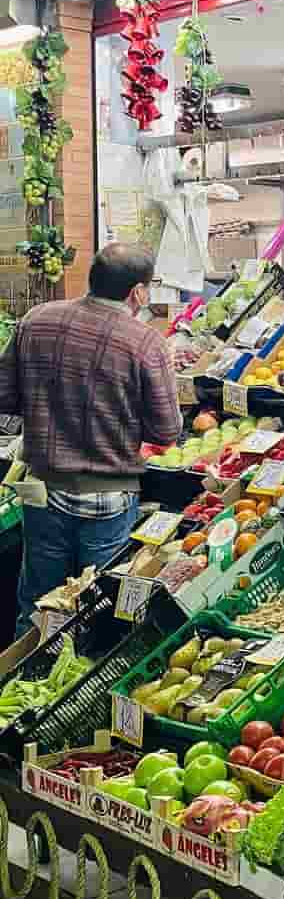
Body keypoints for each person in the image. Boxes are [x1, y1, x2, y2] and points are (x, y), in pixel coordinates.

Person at [0, 244, 183, 632]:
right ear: (138, 292)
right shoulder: (145, 341)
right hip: (107, 495)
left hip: (42, 489)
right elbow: (167, 431)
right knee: (99, 605)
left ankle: (26, 680)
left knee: (39, 603)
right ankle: (87, 680)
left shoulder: (36, 320)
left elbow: (5, 397)